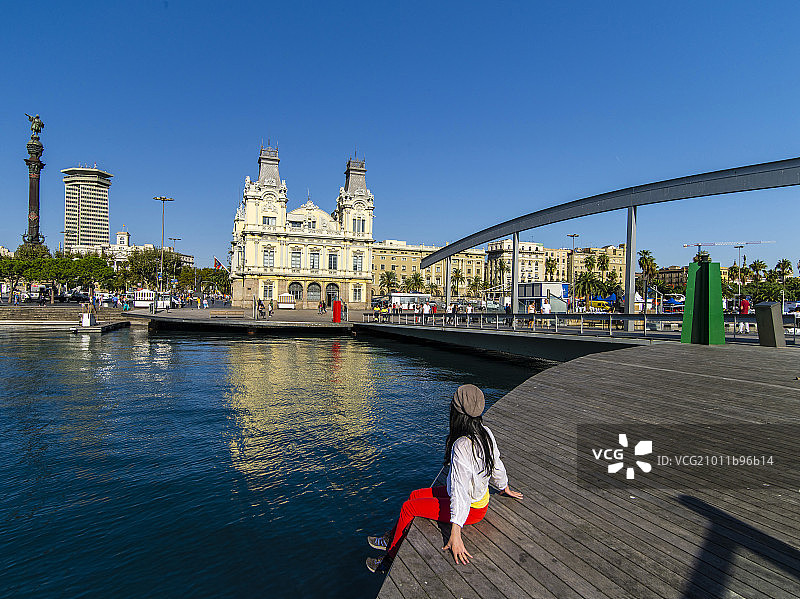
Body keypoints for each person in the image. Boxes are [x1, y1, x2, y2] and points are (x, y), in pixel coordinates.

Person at [365, 384, 523, 573]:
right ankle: (392, 537)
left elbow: (460, 490)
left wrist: (456, 533)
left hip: (472, 509)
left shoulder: (462, 445)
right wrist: (504, 486)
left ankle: (389, 558)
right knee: (415, 495)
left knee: (409, 508)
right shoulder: (486, 432)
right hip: (480, 501)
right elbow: (496, 463)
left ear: (457, 413)